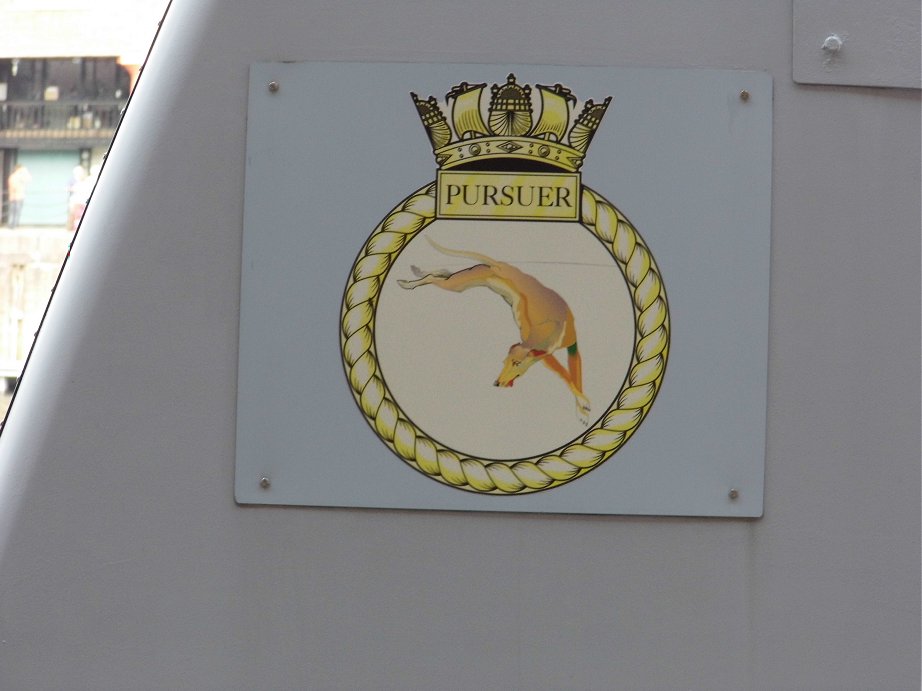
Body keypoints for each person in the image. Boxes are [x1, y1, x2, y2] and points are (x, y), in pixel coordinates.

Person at [7, 164, 32, 229]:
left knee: (17, 212)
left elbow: (29, 179)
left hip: (19, 197)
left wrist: (25, 171)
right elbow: (14, 187)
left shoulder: (20, 177)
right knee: (13, 212)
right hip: (15, 197)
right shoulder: (13, 177)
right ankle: (12, 225)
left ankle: (14, 224)